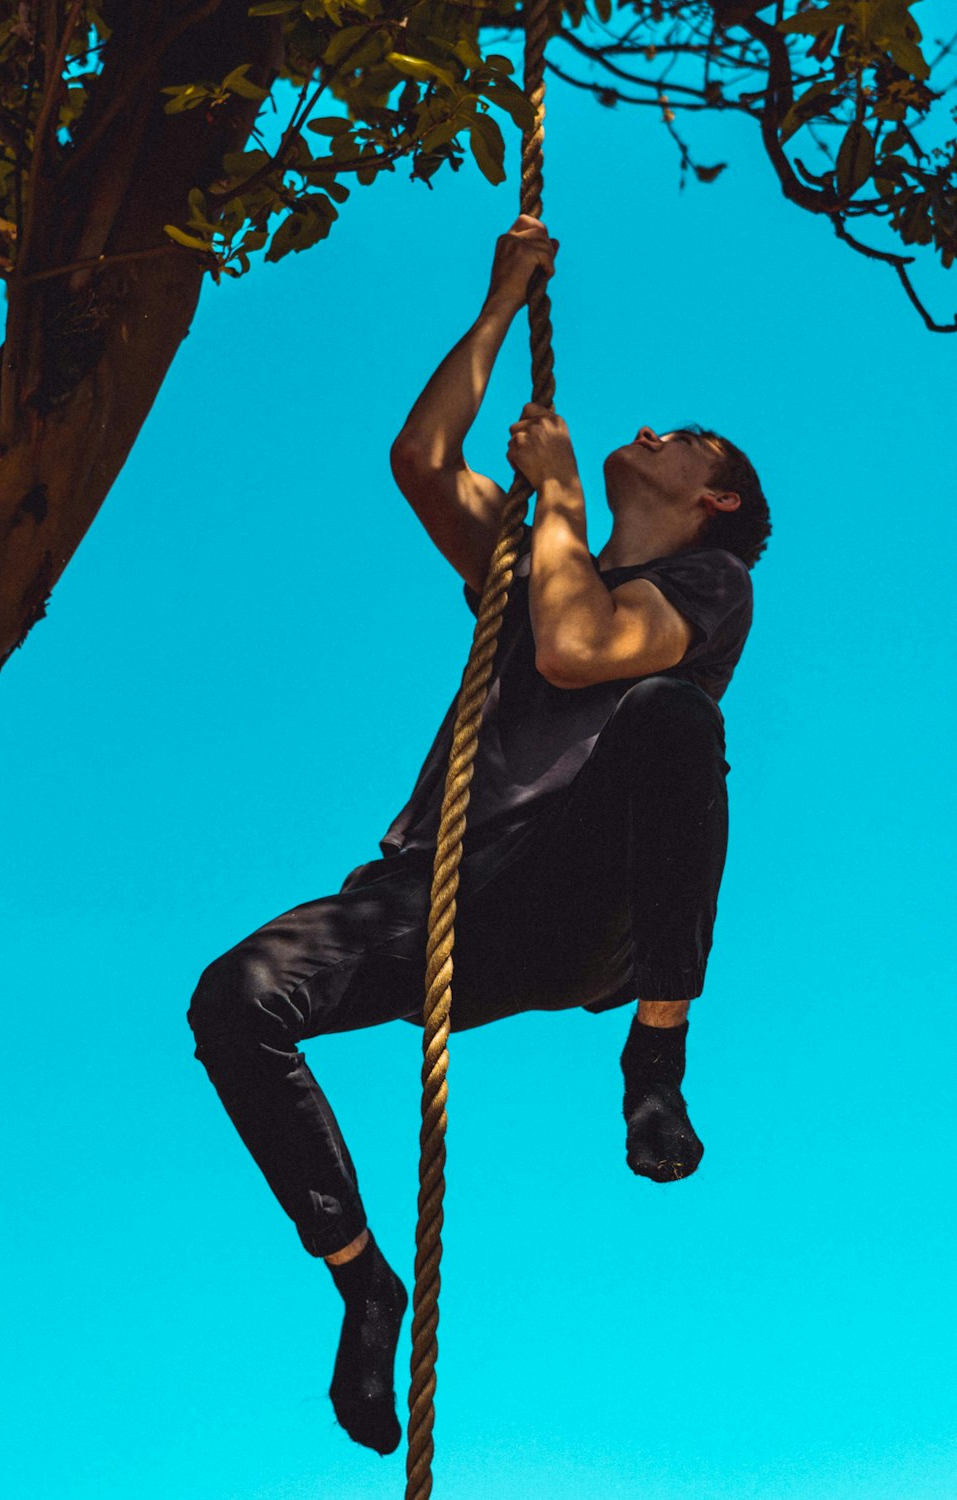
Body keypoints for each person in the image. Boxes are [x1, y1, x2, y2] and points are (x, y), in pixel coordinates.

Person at [186, 214, 771, 1459]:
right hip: (434, 895)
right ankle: (359, 1279)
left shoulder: (710, 588)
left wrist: (557, 493)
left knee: (668, 718)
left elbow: (579, 648)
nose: (650, 430)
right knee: (234, 1000)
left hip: (576, 899)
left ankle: (655, 1053)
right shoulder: (527, 558)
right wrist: (501, 301)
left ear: (714, 497)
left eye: (683, 439)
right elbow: (420, 453)